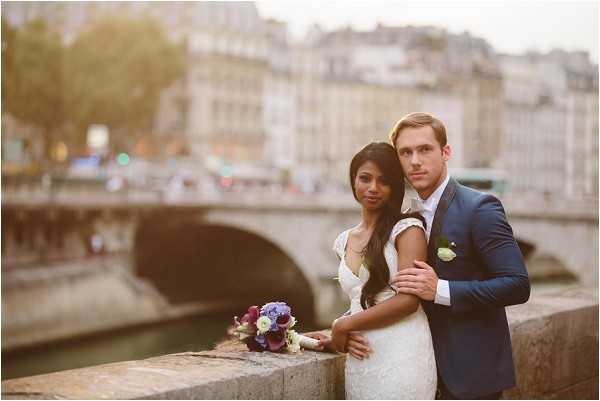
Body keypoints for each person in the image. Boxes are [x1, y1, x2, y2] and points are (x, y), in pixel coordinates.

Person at [352, 112, 529, 399]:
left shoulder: (480, 208)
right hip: (415, 367)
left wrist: (440, 290)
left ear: (445, 152)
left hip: (470, 375)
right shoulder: (404, 219)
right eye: (405, 152)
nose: (415, 161)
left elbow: (518, 285)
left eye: (425, 149)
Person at [308, 142, 437, 399]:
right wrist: (334, 333)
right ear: (353, 181)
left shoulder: (408, 230)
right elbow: (361, 297)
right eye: (365, 178)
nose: (373, 188)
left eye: (384, 181)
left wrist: (342, 325)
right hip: (361, 356)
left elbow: (408, 300)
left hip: (403, 353)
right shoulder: (343, 240)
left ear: (395, 187)